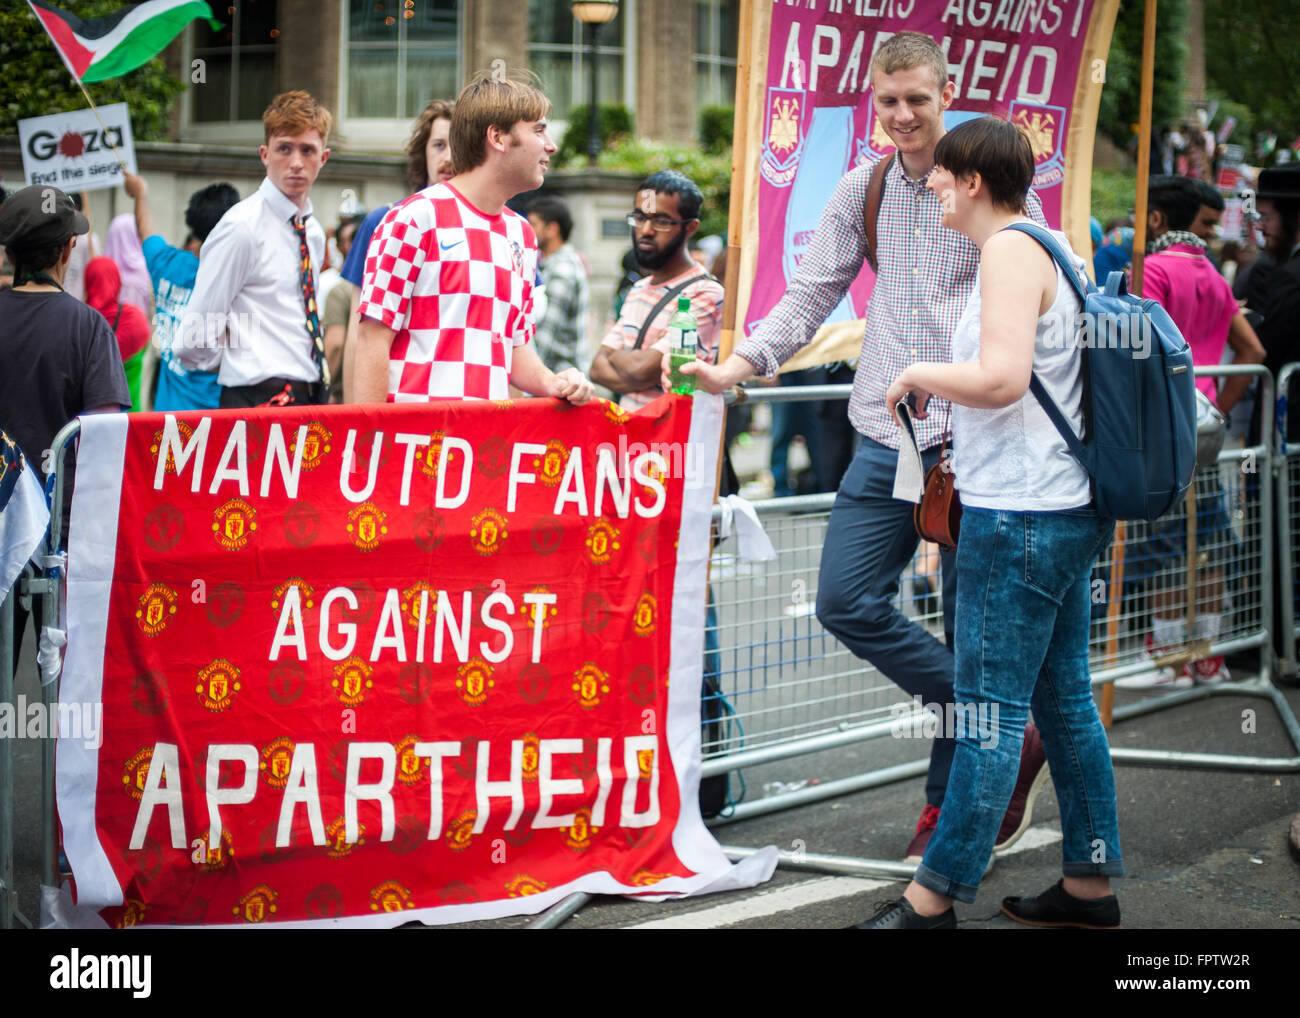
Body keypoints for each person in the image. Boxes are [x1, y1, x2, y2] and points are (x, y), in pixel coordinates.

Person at [683, 32, 1048, 861]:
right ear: (872, 102)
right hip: (887, 434)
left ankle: (950, 805)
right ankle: (1006, 730)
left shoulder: (985, 184)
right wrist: (737, 366)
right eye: (888, 101)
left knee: (968, 630)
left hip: (977, 441)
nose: (903, 114)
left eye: (917, 97)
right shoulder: (867, 185)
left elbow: (1033, 293)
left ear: (945, 92)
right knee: (845, 600)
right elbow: (810, 291)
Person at [863, 115, 1122, 929]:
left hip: (1021, 515)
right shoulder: (1052, 248)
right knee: (1066, 706)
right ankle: (1089, 886)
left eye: (941, 174)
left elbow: (1005, 378)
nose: (931, 183)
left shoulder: (1010, 250)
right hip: (1060, 508)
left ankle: (930, 899)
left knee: (987, 714)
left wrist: (915, 371)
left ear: (973, 180)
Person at [353, 72, 593, 407]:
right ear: (497, 137)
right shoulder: (413, 218)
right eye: (538, 129)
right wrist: (372, 445)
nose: (550, 144)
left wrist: (554, 382)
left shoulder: (522, 234)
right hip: (415, 446)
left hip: (485, 447)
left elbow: (514, 347)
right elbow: (371, 341)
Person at [1116, 175, 1265, 689]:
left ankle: (1171, 663)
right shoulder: (1213, 274)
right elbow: (1253, 352)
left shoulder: (1150, 270)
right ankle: (1209, 658)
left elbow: (1140, 349)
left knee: (1162, 541)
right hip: (1202, 429)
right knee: (1206, 540)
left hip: (1160, 427)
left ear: (1156, 218)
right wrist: (1216, 409)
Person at [0, 185, 130, 668]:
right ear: (69, 248)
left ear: (9, 252)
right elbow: (106, 439)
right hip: (64, 542)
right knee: (67, 696)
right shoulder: (90, 328)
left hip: (2, 531)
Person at [180, 90, 334, 408]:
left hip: (306, 395)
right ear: (264, 154)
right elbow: (193, 336)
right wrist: (241, 364)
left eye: (307, 150)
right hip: (253, 397)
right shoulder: (242, 227)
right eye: (284, 149)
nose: (295, 163)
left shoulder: (313, 232)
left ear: (324, 157)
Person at [338, 98, 456, 401]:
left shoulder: (499, 227)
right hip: (397, 403)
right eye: (439, 145)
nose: (449, 157)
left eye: (458, 145)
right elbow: (357, 335)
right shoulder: (383, 221)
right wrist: (354, 426)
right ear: (423, 153)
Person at [589, 170, 723, 410]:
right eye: (640, 218)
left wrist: (616, 356)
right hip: (631, 438)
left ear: (690, 227)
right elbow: (596, 369)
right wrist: (634, 364)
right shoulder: (637, 289)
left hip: (678, 439)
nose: (646, 230)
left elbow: (641, 370)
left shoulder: (705, 292)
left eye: (661, 221)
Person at [122, 172, 240, 412]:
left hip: (168, 421)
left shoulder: (166, 264)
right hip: (217, 424)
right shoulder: (237, 283)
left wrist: (140, 195)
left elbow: (146, 231)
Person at [527, 195, 589, 376]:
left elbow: (545, 337)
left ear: (552, 229)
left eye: (533, 224)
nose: (527, 230)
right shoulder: (550, 263)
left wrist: (529, 381)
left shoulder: (563, 269)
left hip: (562, 380)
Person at [84, 256, 151, 411]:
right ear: (117, 281)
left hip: (90, 421)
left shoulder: (81, 322)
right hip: (131, 419)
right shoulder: (136, 320)